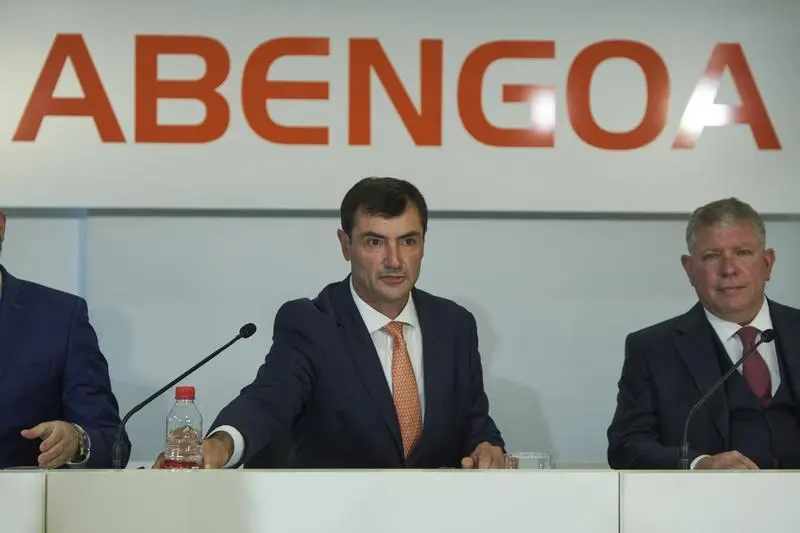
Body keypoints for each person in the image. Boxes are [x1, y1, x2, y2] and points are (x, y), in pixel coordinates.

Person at [156, 177, 505, 469]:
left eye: (408, 241)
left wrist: (485, 446)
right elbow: (270, 400)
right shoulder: (311, 323)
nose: (394, 260)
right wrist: (220, 446)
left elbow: (473, 421)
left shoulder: (454, 325)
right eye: (375, 242)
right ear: (345, 245)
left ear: (423, 244)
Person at [607, 197, 800, 470]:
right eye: (712, 256)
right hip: (706, 497)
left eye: (743, 252)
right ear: (689, 269)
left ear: (767, 263)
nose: (729, 269)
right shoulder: (653, 349)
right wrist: (698, 465)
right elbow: (626, 445)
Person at [0, 212, 130, 468]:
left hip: (24, 492)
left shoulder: (60, 318)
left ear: (0, 225)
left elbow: (111, 440)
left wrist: (76, 441)